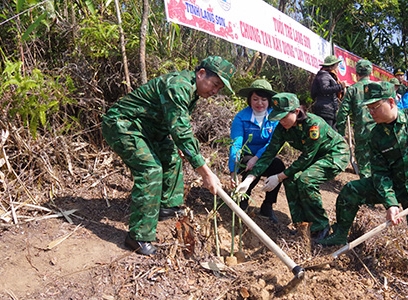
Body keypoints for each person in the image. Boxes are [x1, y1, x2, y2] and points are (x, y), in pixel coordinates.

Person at [318, 81, 408, 298]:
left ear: (391, 102)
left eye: (375, 107)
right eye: (368, 108)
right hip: (395, 188)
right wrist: (391, 203)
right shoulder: (376, 136)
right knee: (351, 190)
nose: (371, 112)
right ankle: (340, 234)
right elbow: (380, 173)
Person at [102, 56, 236, 255]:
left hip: (151, 130)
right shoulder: (178, 86)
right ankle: (138, 236)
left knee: (173, 156)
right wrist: (205, 173)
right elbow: (181, 131)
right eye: (215, 84)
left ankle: (167, 206)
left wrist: (183, 145)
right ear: (201, 74)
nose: (215, 91)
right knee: (150, 170)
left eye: (219, 88)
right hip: (123, 124)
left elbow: (177, 125)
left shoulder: (191, 91)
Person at [236, 93, 349, 240]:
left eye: (284, 117)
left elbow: (306, 157)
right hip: (315, 156)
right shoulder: (282, 128)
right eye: (278, 117)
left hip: (335, 154)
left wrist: (279, 176)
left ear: (296, 111)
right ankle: (301, 225)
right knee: (290, 179)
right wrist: (249, 179)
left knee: (306, 180)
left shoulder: (313, 125)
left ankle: (321, 225)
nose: (281, 121)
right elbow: (269, 153)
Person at [229, 79, 285, 223]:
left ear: (269, 101)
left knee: (278, 165)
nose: (259, 103)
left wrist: (258, 157)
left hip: (266, 156)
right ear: (249, 100)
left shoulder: (275, 118)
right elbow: (236, 144)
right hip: (247, 157)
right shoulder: (241, 117)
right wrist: (233, 170)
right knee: (248, 162)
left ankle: (267, 206)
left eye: (263, 100)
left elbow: (273, 143)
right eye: (255, 99)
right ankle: (242, 199)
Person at [336, 59, 374, 178]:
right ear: (371, 73)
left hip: (362, 132)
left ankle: (368, 191)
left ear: (357, 74)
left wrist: (341, 133)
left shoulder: (353, 89)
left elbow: (342, 113)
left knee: (364, 166)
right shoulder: (379, 88)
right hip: (381, 131)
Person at [310, 55, 346, 129]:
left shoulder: (328, 76)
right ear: (332, 66)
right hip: (325, 110)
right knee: (327, 133)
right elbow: (325, 89)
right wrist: (340, 86)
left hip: (330, 110)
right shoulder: (324, 75)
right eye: (336, 65)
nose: (337, 68)